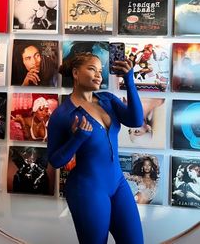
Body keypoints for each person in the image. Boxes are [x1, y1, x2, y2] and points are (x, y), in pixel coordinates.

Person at [47, 52, 144, 244]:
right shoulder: (62, 114)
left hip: (118, 184)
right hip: (87, 189)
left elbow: (136, 120)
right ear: (75, 73)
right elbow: (55, 161)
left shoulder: (107, 99)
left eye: (100, 70)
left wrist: (129, 80)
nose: (99, 75)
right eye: (92, 69)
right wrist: (78, 138)